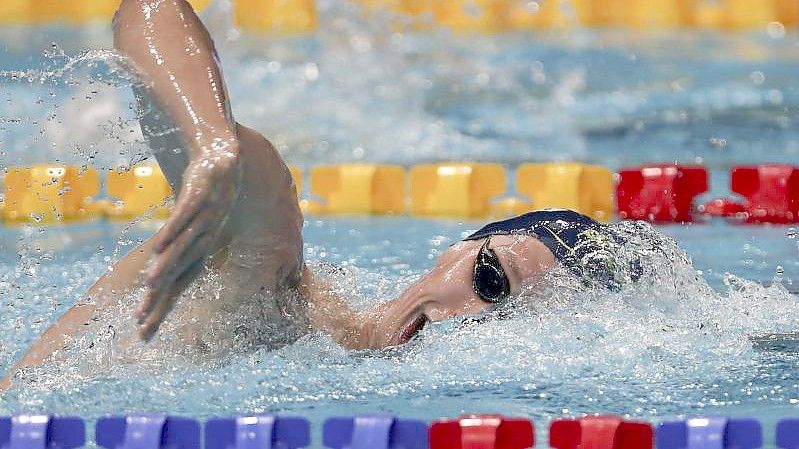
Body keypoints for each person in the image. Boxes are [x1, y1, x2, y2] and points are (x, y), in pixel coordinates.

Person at [0, 0, 629, 390]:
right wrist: (214, 143)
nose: (475, 320)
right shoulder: (274, 294)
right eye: (491, 280)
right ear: (456, 250)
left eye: (515, 322)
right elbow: (147, 9)